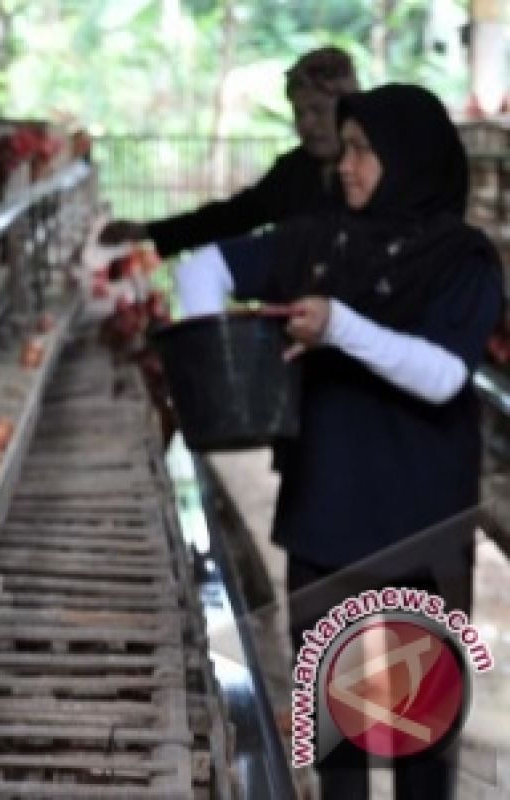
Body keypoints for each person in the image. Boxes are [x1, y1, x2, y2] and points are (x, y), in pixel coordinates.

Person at [175, 84, 503, 799]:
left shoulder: (462, 258)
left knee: (421, 732)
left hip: (423, 523)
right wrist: (232, 360)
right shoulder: (320, 239)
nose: (346, 164)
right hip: (328, 515)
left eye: (362, 149)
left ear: (408, 157)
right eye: (346, 147)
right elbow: (203, 267)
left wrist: (338, 327)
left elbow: (442, 375)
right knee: (337, 736)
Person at [100, 46, 359, 257]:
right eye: (299, 112)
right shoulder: (294, 171)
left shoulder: (384, 170)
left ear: (351, 108)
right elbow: (232, 216)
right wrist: (146, 232)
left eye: (318, 111)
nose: (306, 124)